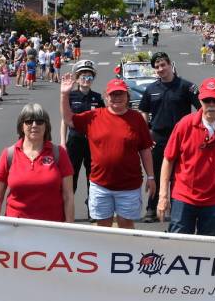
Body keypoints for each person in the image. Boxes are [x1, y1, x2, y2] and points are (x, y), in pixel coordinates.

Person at [59, 73, 155, 229]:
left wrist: (150, 176)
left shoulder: (137, 118)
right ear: (106, 96)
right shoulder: (94, 116)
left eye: (120, 94)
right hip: (100, 185)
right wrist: (64, 95)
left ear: (127, 96)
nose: (117, 97)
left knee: (126, 227)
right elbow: (69, 119)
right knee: (103, 227)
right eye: (113, 94)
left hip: (129, 186)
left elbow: (145, 149)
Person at [156, 78, 215, 235]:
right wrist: (163, 196)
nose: (211, 104)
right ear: (200, 100)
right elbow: (168, 159)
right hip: (184, 197)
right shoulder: (185, 124)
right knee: (179, 242)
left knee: (208, 245)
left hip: (214, 200)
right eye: (207, 100)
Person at [138, 52, 199, 222]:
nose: (160, 69)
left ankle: (176, 209)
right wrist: (146, 134)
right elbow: (144, 111)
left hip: (182, 138)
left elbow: (201, 108)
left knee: (178, 175)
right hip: (158, 137)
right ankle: (152, 208)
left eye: (163, 65)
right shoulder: (151, 89)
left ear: (170, 64)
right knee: (156, 173)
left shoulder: (186, 87)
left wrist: (194, 131)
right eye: (157, 67)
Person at [0, 104, 73, 222]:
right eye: (29, 121)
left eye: (39, 121)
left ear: (46, 126)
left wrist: (69, 226)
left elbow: (68, 196)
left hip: (51, 227)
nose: (34, 125)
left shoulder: (59, 153)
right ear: (21, 126)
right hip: (15, 227)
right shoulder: (9, 154)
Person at [61, 60, 105, 202]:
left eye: (89, 76)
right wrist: (63, 142)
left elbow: (103, 119)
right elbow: (65, 120)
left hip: (93, 142)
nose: (86, 79)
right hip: (75, 141)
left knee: (92, 175)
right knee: (71, 174)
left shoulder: (97, 98)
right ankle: (67, 205)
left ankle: (92, 206)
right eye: (83, 76)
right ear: (77, 79)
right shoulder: (70, 96)